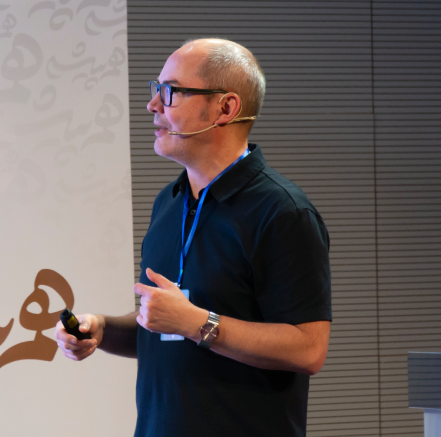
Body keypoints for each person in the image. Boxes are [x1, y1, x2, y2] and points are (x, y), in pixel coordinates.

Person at [54, 38, 332, 437]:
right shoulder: (169, 202)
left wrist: (200, 323)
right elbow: (169, 327)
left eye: (171, 92)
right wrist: (102, 328)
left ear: (225, 108)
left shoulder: (283, 212)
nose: (153, 105)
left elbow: (308, 349)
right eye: (156, 90)